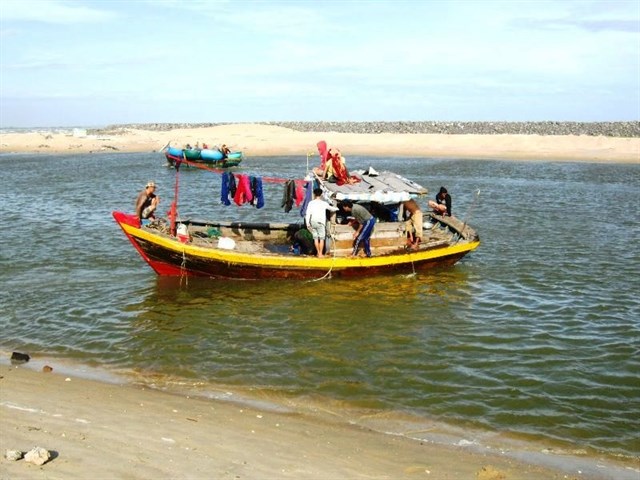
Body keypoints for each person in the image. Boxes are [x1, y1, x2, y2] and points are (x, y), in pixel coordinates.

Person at [304, 188, 339, 257]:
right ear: (321, 194)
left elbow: (308, 214)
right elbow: (331, 209)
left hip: (313, 222)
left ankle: (317, 252)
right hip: (321, 223)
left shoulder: (311, 203)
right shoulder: (324, 203)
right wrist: (337, 208)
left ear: (314, 194)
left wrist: (308, 224)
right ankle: (320, 253)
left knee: (316, 238)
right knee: (322, 239)